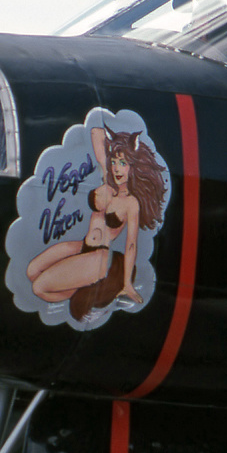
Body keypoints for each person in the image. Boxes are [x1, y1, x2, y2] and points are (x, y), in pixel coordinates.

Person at [26, 124, 167, 321]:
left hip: (98, 257)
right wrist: (117, 142)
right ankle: (78, 284)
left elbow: (132, 244)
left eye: (124, 163)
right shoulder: (107, 179)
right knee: (32, 271)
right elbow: (95, 132)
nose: (117, 168)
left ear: (133, 167)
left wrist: (127, 283)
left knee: (39, 287)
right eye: (116, 162)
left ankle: (81, 291)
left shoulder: (131, 203)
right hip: (83, 246)